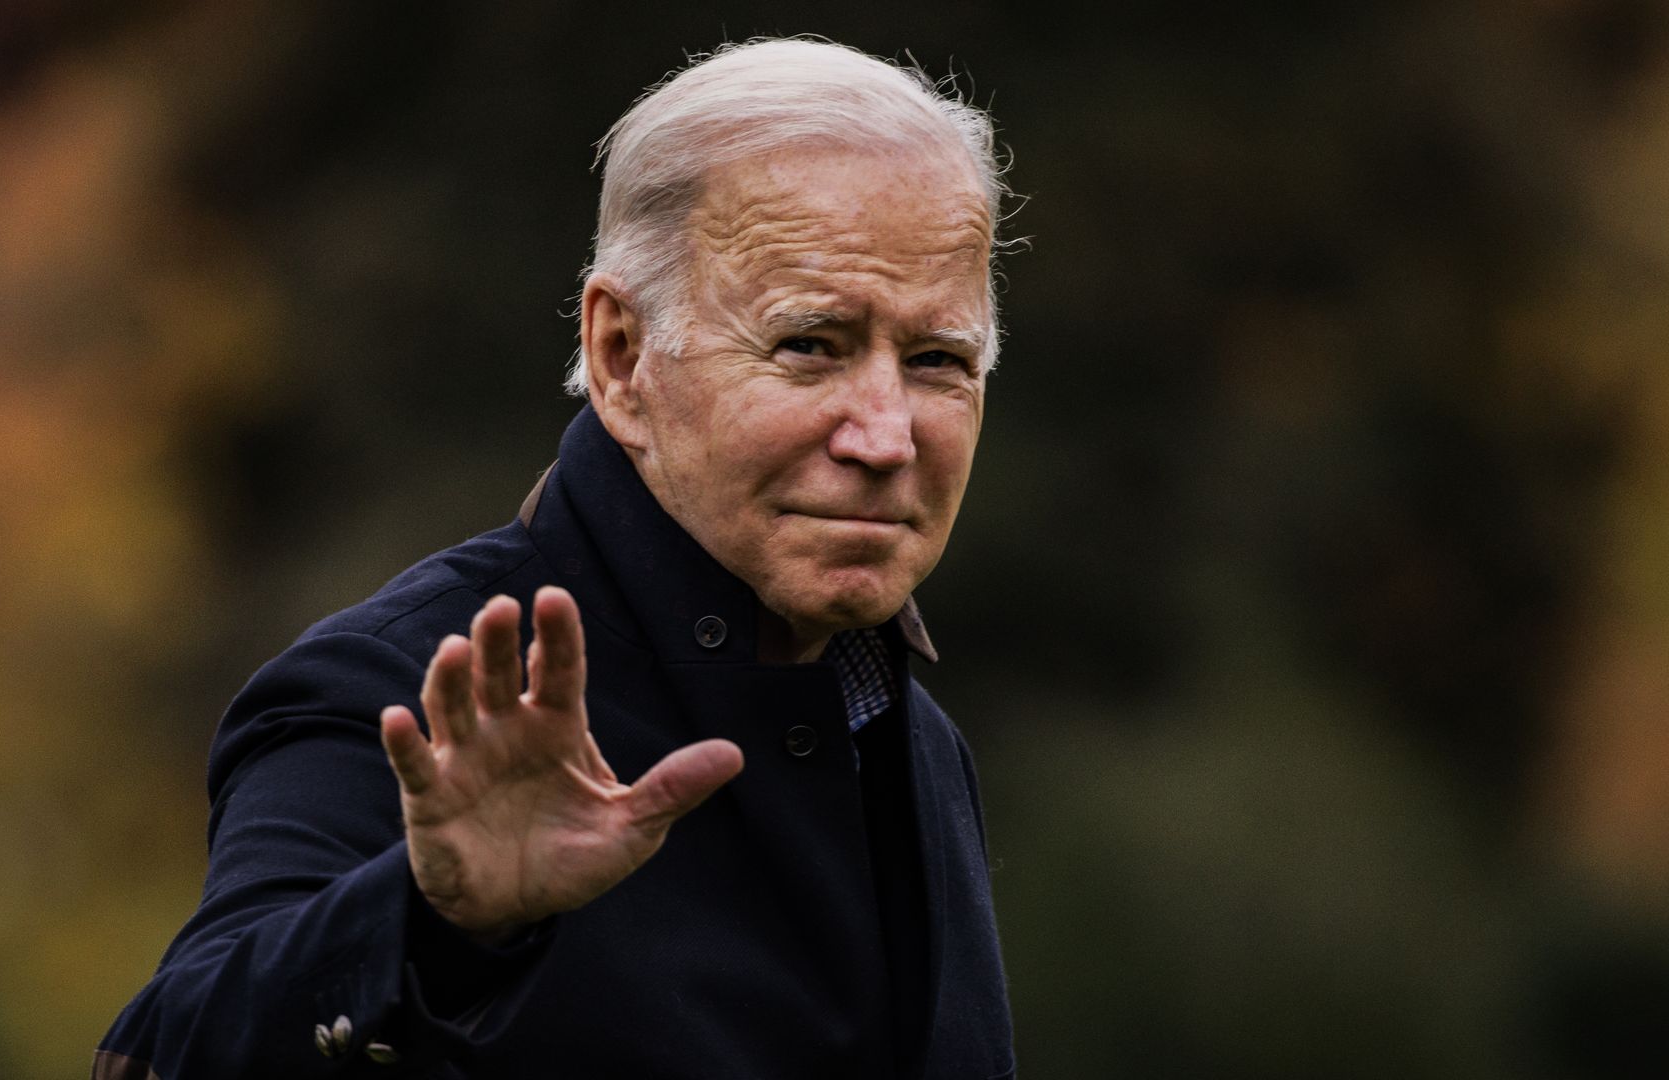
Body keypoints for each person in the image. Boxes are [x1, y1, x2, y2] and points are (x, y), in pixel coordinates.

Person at [95, 37, 1015, 1079]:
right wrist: (431, 924)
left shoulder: (913, 739)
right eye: (811, 345)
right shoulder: (409, 692)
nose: (887, 436)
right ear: (622, 356)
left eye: (940, 360)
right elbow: (162, 1057)